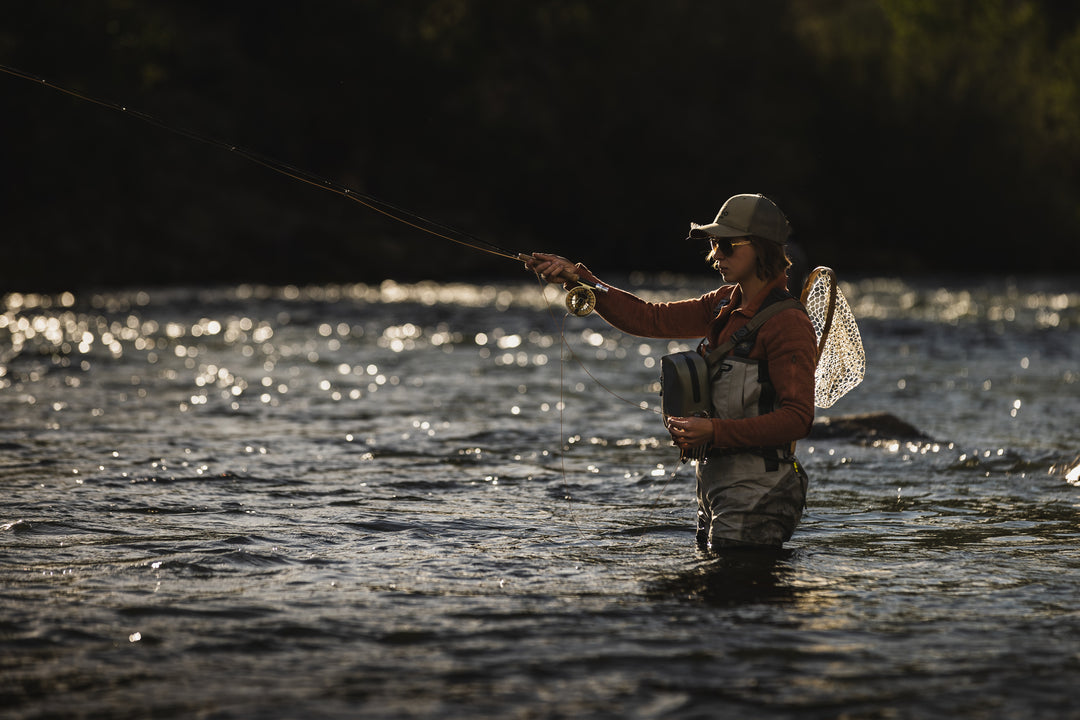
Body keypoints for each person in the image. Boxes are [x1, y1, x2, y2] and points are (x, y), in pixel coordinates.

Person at [525, 193, 817, 552]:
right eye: (713, 244)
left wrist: (714, 430)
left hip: (759, 492)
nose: (715, 255)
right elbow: (649, 317)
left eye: (726, 245)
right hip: (714, 489)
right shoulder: (724, 302)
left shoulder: (788, 323)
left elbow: (798, 419)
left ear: (761, 248)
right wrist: (580, 280)